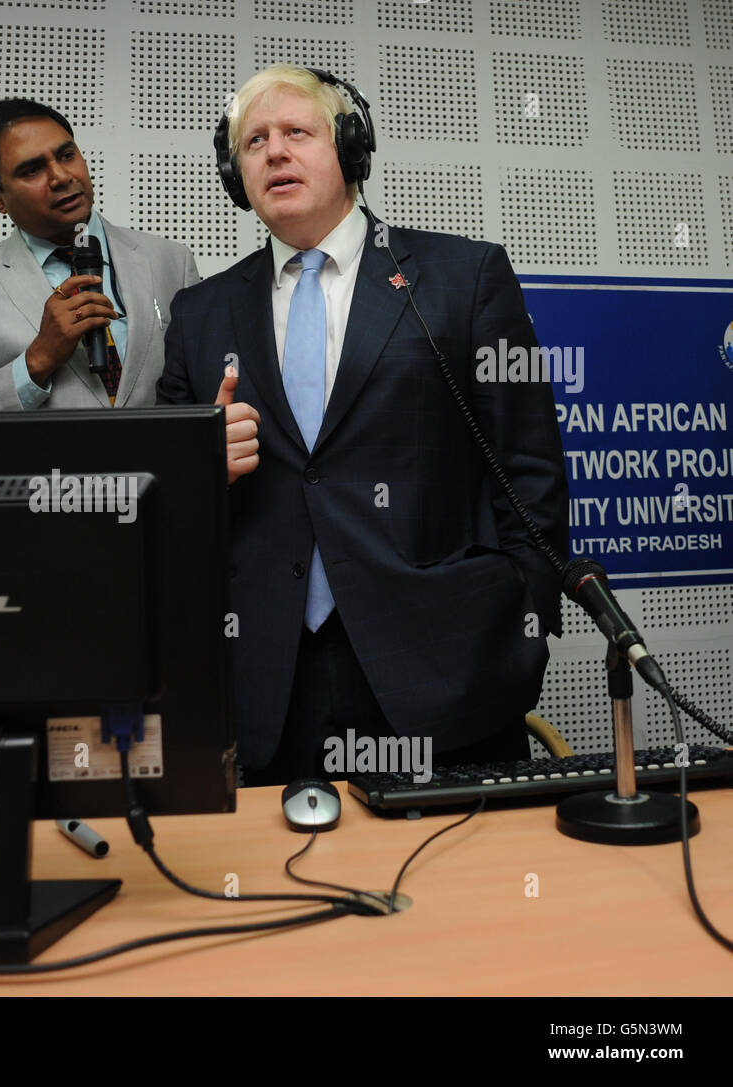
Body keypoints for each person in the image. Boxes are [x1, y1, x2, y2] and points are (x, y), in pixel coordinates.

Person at [157, 66, 569, 784]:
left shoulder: (463, 276)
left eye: (296, 133)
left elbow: (529, 467)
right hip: (266, 682)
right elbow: (167, 505)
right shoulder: (199, 314)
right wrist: (198, 464)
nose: (275, 153)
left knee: (468, 892)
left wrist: (520, 626)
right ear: (235, 173)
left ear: (350, 147)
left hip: (446, 666)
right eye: (254, 141)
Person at [0, 98, 200, 410]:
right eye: (32, 170)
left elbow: (199, 386)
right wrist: (37, 360)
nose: (61, 176)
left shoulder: (171, 261)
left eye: (67, 155)